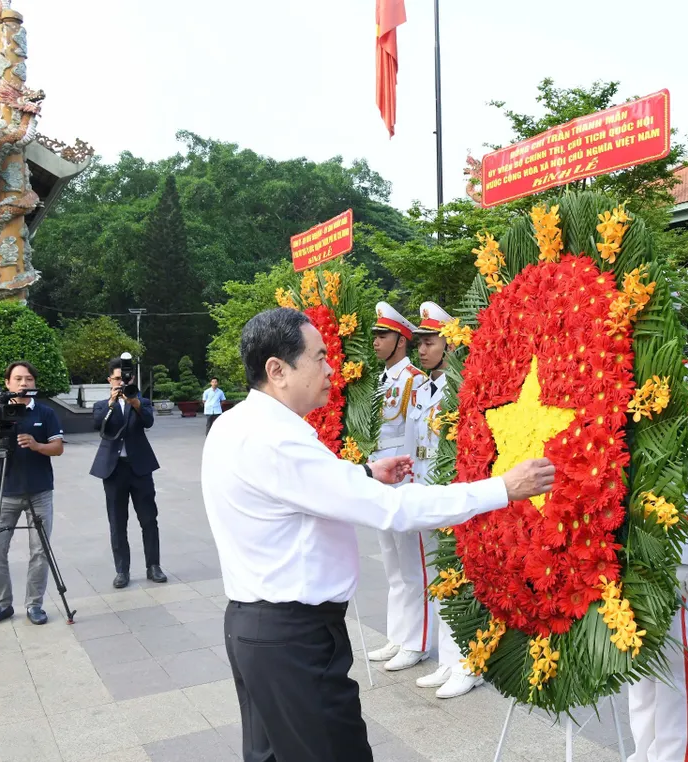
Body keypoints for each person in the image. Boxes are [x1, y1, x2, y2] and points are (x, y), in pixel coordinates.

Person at [201, 307, 554, 762]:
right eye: (319, 356)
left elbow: (296, 487)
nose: (332, 367)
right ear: (277, 370)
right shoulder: (276, 439)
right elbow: (394, 511)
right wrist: (502, 488)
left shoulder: (239, 423)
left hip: (258, 628)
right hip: (293, 639)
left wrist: (365, 471)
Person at [626, 357, 688, 762]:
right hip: (625, 537)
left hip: (666, 537)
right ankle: (644, 751)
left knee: (672, 657)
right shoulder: (612, 368)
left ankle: (673, 754)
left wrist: (684, 554)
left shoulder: (681, 378)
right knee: (636, 652)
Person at [408, 301, 483, 699]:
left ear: (448, 345)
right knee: (440, 574)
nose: (422, 349)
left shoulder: (462, 386)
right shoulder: (422, 388)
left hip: (454, 487)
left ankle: (469, 663)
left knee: (460, 573)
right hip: (424, 486)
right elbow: (413, 441)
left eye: (430, 341)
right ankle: (448, 660)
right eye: (419, 342)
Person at [366, 302, 433, 672]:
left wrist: (410, 483)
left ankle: (417, 641)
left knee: (413, 565)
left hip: (403, 479)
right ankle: (399, 635)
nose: (376, 342)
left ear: (401, 341)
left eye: (383, 336)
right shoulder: (379, 381)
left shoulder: (414, 381)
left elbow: (414, 437)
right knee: (393, 565)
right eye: (375, 335)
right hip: (380, 480)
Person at [0, 361, 64, 626]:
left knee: (40, 551)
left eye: (29, 379)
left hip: (40, 491)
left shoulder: (46, 413)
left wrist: (37, 445)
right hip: (5, 492)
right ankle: (3, 604)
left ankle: (34, 605)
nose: (24, 383)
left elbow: (58, 448)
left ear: (34, 383)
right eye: (18, 379)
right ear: (8, 384)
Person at [91, 357, 167, 588]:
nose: (121, 382)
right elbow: (98, 426)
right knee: (117, 521)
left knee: (149, 519)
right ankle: (122, 570)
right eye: (116, 379)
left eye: (125, 378)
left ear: (132, 378)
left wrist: (133, 402)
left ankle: (153, 565)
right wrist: (113, 403)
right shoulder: (102, 405)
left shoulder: (141, 401)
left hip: (140, 468)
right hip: (114, 470)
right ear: (109, 380)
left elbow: (149, 422)